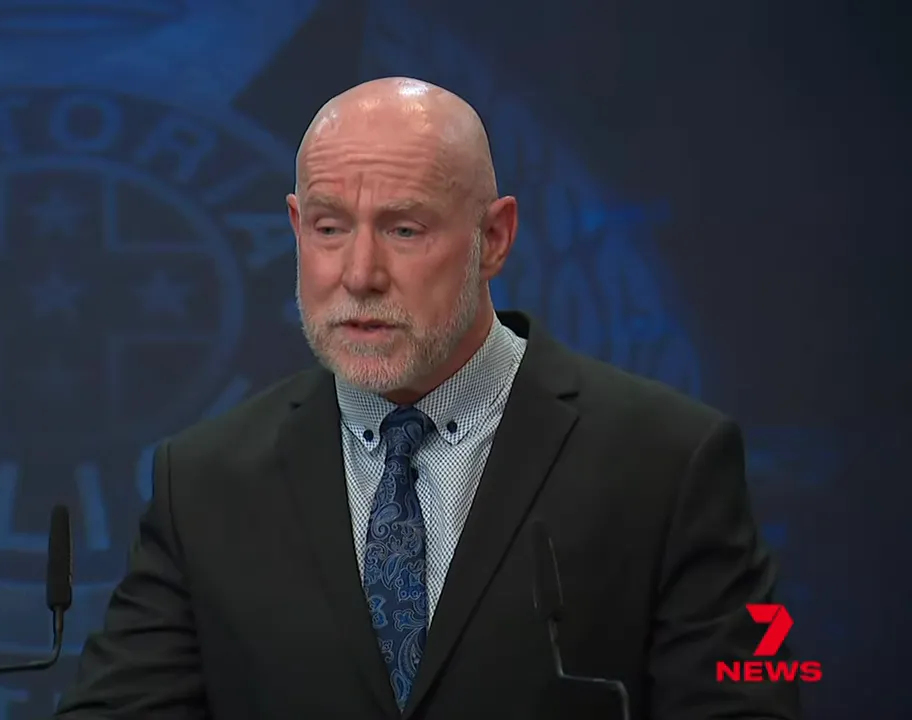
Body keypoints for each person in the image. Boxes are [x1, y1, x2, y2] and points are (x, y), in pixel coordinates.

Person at [53, 77, 800, 719]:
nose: (360, 273)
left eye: (404, 229)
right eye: (329, 228)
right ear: (295, 228)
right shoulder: (207, 481)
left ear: (495, 238)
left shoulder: (668, 461)